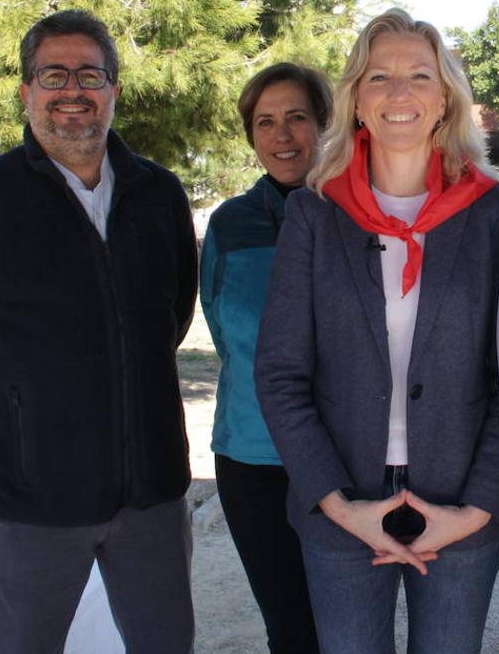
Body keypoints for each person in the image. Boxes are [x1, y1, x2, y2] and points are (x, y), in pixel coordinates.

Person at [0, 9, 198, 653]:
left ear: (114, 88)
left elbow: (169, 317)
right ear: (26, 91)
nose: (72, 91)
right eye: (53, 75)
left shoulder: (160, 195)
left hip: (152, 495)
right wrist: (11, 412)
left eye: (90, 74)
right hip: (29, 501)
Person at [254, 8, 499, 654]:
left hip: (458, 505)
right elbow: (280, 372)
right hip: (343, 503)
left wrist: (479, 507)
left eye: (419, 76)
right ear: (356, 99)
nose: (399, 92)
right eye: (379, 77)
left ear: (445, 99)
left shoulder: (493, 211)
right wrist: (337, 505)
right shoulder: (314, 212)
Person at [201, 62, 333, 653]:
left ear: (326, 124)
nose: (282, 136)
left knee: (350, 627)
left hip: (344, 457)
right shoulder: (230, 224)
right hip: (252, 460)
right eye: (265, 122)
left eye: (297, 118)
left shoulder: (358, 211)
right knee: (290, 629)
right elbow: (219, 325)